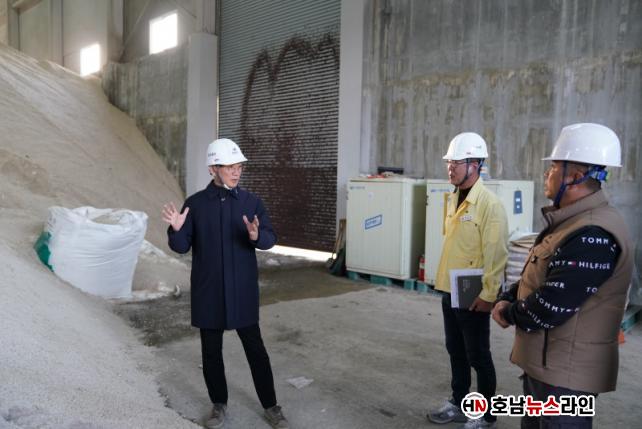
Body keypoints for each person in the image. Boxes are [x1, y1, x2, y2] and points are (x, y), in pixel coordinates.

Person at [491, 123, 633, 428]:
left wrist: (508, 311)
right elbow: (542, 276)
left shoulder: (593, 233)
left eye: (554, 166)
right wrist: (509, 294)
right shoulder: (571, 222)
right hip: (547, 365)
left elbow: (552, 304)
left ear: (574, 176)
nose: (547, 173)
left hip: (565, 376)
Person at [162, 138, 288, 429]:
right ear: (212, 169)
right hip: (209, 291)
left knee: (256, 350)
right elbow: (181, 247)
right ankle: (218, 405)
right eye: (229, 166)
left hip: (242, 290)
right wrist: (176, 229)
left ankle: (271, 406)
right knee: (211, 352)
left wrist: (257, 236)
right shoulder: (195, 205)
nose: (236, 172)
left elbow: (269, 238)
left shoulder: (251, 203)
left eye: (239, 166)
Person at [428, 132, 509, 429]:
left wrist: (489, 294)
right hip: (450, 288)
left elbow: (496, 253)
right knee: (455, 350)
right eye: (449, 162)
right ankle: (459, 402)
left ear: (475, 165)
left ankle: (486, 415)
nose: (450, 168)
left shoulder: (490, 205)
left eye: (456, 163)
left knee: (478, 355)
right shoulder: (452, 198)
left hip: (473, 292)